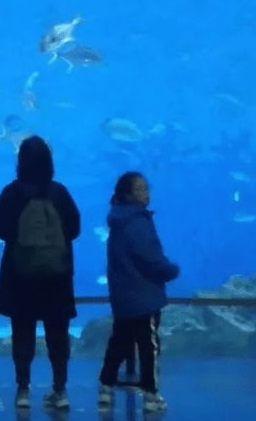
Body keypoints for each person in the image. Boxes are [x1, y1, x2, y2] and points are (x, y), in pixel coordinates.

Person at [0, 135, 81, 411]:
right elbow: (75, 229)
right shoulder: (59, 193)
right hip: (56, 277)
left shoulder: (12, 193)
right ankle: (60, 389)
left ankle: (22, 390)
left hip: (20, 277)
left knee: (22, 333)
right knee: (57, 333)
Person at [96, 171, 179, 414]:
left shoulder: (117, 220)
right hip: (145, 295)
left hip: (123, 294)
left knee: (119, 341)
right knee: (148, 345)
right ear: (127, 194)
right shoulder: (137, 222)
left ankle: (105, 386)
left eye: (146, 188)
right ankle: (151, 394)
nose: (147, 193)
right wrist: (169, 270)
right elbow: (149, 257)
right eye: (140, 189)